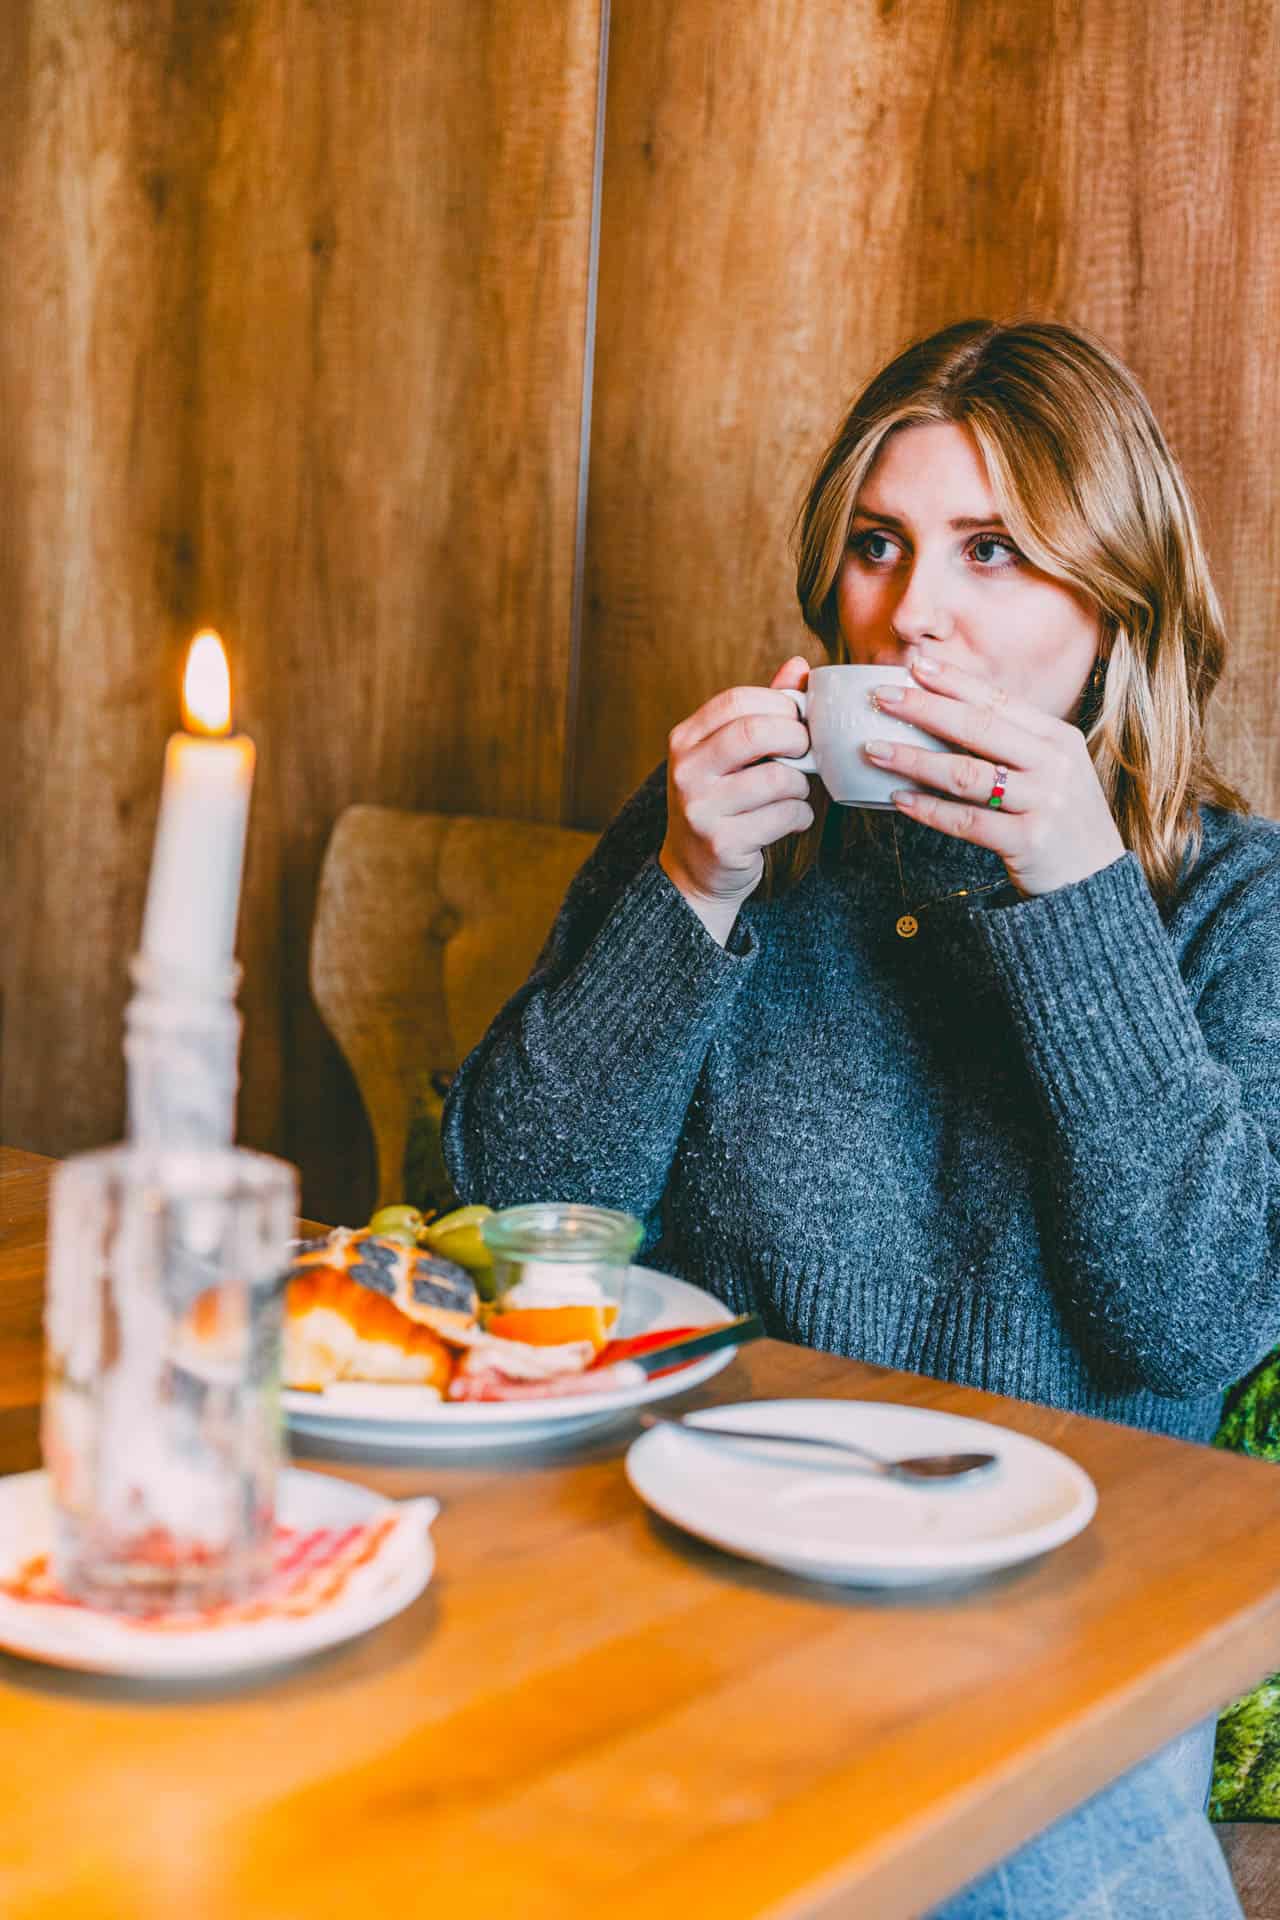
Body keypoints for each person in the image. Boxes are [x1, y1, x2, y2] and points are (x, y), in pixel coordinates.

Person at [443, 319, 1280, 1917]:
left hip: (1070, 1614)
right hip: (696, 1555)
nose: (914, 617)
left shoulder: (1228, 902)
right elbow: (510, 1216)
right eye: (880, 549)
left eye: (997, 554)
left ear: (1114, 614)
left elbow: (1188, 1320)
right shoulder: (726, 835)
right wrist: (690, 890)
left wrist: (1075, 894)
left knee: (1031, 1838)